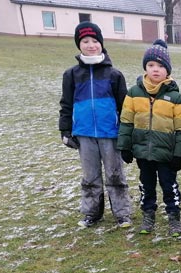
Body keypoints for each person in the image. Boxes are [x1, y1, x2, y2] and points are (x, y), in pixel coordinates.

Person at [59, 21, 132, 228]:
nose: (91, 45)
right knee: (90, 177)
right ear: (79, 45)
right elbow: (66, 104)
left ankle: (122, 213)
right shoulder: (71, 75)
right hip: (84, 134)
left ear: (101, 43)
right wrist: (65, 129)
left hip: (110, 133)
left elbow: (124, 108)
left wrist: (126, 135)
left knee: (115, 174)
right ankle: (92, 213)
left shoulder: (114, 75)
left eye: (94, 41)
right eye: (85, 41)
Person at [117, 40, 181, 236]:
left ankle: (174, 217)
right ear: (145, 68)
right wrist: (125, 146)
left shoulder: (175, 97)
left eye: (160, 66)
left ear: (167, 70)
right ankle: (148, 215)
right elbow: (126, 121)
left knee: (169, 186)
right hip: (142, 152)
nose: (155, 70)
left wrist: (179, 155)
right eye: (151, 65)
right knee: (146, 186)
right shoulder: (133, 93)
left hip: (166, 155)